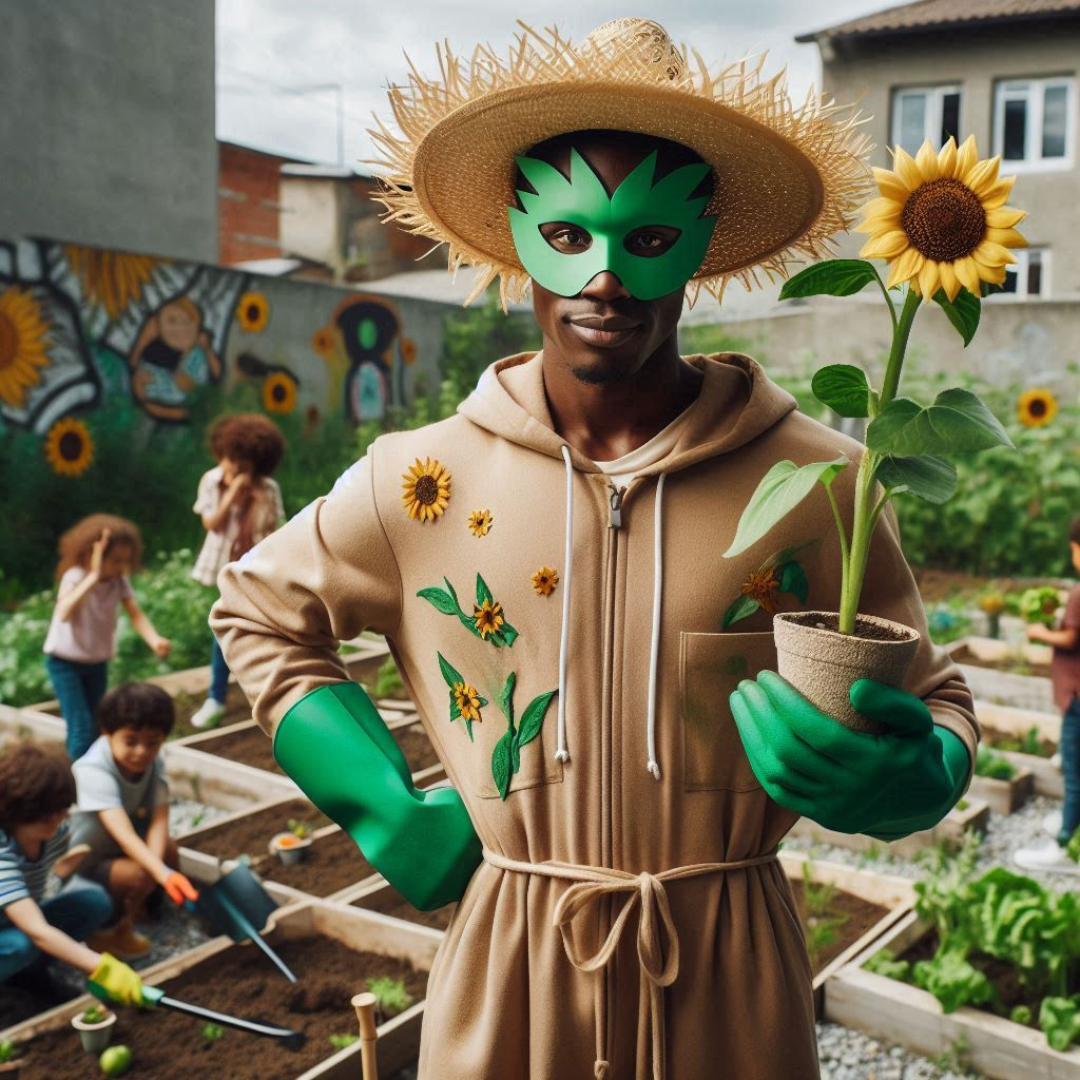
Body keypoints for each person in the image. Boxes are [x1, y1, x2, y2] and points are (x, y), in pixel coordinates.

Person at [212, 19, 978, 1078]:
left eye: (648, 239)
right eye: (568, 235)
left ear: (701, 244)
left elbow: (939, 697)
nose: (606, 277)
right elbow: (255, 610)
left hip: (730, 978)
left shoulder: (821, 486)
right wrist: (379, 803)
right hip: (510, 968)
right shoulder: (417, 483)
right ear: (516, 235)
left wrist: (918, 774)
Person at [0, 741, 147, 1009]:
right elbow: (36, 929)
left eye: (62, 808)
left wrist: (60, 874)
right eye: (48, 813)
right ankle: (17, 976)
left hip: (16, 920)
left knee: (94, 902)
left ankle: (28, 973)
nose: (60, 818)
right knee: (22, 943)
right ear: (18, 808)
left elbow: (37, 888)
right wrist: (100, 967)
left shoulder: (54, 834)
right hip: (15, 931)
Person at [70, 683, 200, 960]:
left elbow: (159, 817)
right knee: (140, 873)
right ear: (107, 734)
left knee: (167, 849)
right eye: (130, 741)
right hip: (85, 861)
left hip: (119, 848)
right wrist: (159, 873)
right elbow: (123, 833)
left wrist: (158, 871)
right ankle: (105, 931)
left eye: (152, 742)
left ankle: (142, 911)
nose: (142, 751)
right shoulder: (92, 769)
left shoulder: (154, 761)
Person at [43, 514, 172, 762]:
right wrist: (93, 576)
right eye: (114, 561)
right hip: (65, 663)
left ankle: (92, 776)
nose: (120, 567)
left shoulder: (119, 581)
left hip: (96, 663)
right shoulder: (76, 577)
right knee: (80, 727)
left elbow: (136, 614)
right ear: (94, 554)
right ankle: (77, 790)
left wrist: (154, 639)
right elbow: (64, 612)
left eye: (125, 561)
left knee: (96, 725)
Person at [189, 413, 285, 729]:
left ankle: (246, 696)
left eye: (243, 463)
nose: (234, 467)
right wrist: (232, 493)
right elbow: (211, 523)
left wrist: (258, 502)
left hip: (253, 567)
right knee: (223, 631)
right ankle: (217, 697)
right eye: (231, 459)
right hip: (222, 566)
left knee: (253, 629)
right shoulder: (212, 480)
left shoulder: (268, 487)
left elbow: (271, 533)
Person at [1014, 516, 1080, 873]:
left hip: (1077, 695)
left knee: (1073, 769)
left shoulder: (1078, 593)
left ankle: (1065, 847)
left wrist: (1040, 632)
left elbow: (1071, 638)